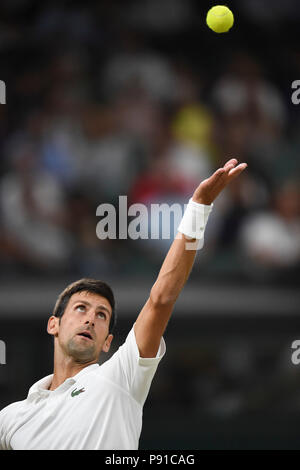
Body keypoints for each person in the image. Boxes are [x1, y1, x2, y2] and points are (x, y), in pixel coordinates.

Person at [0, 158, 247, 450]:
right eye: (81, 308)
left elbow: (161, 299)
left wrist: (199, 206)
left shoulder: (119, 377)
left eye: (102, 315)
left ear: (107, 343)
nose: (91, 319)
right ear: (53, 324)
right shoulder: (11, 418)